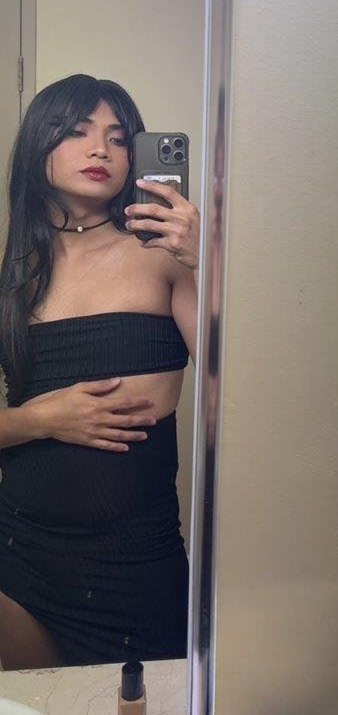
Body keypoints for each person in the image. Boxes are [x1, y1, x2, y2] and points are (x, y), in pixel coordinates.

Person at [0, 73, 199, 670]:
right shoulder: (12, 275)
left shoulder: (165, 255)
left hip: (136, 565)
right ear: (38, 145)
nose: (100, 150)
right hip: (20, 561)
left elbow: (246, 384)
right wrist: (41, 419)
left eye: (118, 138)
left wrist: (211, 262)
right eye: (77, 131)